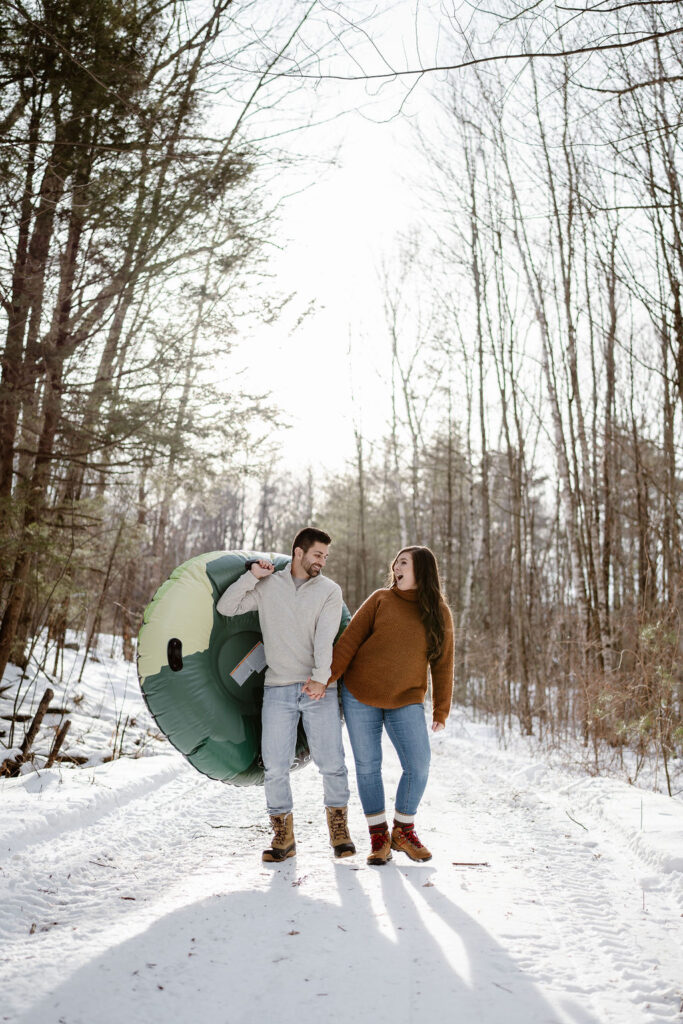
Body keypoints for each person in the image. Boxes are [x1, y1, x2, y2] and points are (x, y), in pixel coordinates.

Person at [216, 527, 355, 863]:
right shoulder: (269, 586)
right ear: (298, 552)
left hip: (318, 688)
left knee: (332, 763)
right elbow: (226, 608)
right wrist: (252, 576)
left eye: (325, 556)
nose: (322, 561)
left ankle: (339, 831)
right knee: (275, 765)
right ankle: (283, 837)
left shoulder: (329, 591)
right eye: (317, 554)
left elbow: (326, 638)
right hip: (277, 687)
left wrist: (321, 678)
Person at [327, 546, 454, 865]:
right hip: (360, 692)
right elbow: (349, 640)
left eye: (404, 563)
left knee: (419, 764)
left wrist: (441, 708)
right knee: (368, 765)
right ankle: (378, 836)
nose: (396, 567)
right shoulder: (380, 599)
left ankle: (403, 829)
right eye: (396, 562)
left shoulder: (438, 611)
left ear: (421, 570)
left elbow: (443, 663)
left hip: (406, 697)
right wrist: (326, 677)